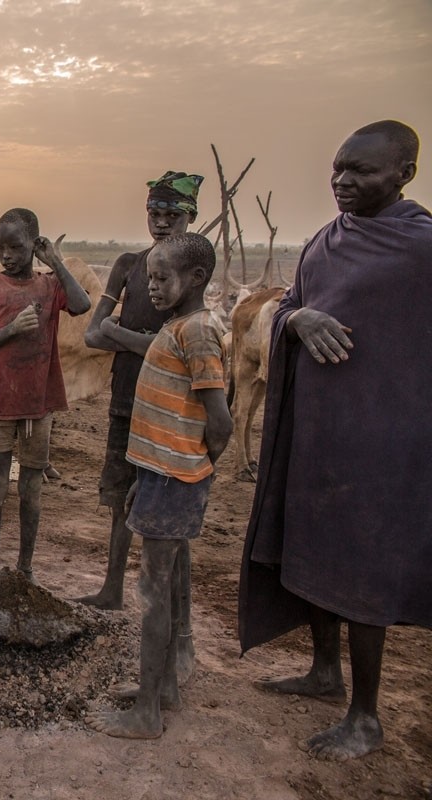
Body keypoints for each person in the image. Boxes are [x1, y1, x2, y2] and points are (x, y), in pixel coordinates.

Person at [239, 120, 429, 761]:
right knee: (315, 550)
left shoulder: (423, 247)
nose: (343, 182)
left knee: (363, 568)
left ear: (403, 174)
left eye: (361, 171)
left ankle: (367, 715)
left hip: (382, 444)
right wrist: (299, 319)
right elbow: (290, 306)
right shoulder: (325, 240)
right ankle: (325, 672)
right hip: (316, 435)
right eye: (337, 169)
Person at [86, 232, 231, 740]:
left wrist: (193, 471)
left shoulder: (197, 333)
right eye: (149, 277)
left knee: (152, 595)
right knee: (163, 587)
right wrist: (152, 475)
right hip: (160, 476)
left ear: (196, 279)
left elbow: (220, 422)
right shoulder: (178, 327)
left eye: (162, 277)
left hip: (174, 480)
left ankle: (146, 712)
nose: (153, 286)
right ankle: (164, 687)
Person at [78, 170, 203, 613]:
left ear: (190, 216)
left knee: (168, 518)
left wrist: (124, 335)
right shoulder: (129, 266)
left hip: (171, 411)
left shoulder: (189, 272)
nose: (162, 221)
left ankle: (172, 614)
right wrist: (139, 339)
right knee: (118, 500)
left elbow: (173, 346)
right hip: (125, 401)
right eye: (155, 212)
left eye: (172, 213)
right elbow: (92, 336)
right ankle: (112, 588)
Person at [0, 208, 91, 581]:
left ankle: (25, 567)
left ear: (34, 246)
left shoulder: (49, 285)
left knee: (32, 489)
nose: (6, 255)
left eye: (16, 247)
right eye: (0, 246)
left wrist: (55, 261)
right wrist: (12, 329)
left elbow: (83, 305)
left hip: (39, 403)